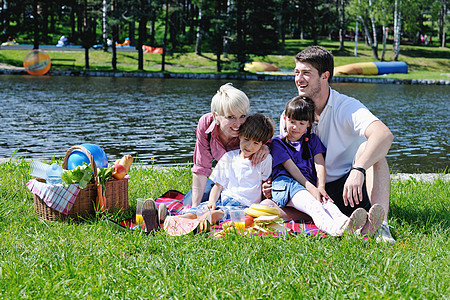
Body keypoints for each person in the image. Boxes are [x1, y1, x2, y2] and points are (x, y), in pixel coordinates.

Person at [263, 46, 395, 243]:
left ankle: (381, 226)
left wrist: (358, 170)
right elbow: (288, 155)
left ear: (325, 76)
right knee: (266, 208)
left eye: (306, 73)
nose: (299, 79)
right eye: (296, 72)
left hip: (350, 188)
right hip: (311, 189)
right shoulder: (291, 115)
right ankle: (344, 221)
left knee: (374, 152)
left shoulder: (346, 106)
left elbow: (384, 135)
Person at [268, 96, 384, 236]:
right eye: (292, 121)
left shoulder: (312, 140)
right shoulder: (278, 143)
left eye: (301, 123)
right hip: (287, 185)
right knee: (314, 206)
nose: (295, 127)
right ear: (285, 119)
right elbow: (292, 169)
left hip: (306, 185)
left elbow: (319, 163)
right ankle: (336, 231)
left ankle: (350, 225)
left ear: (309, 124)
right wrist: (312, 188)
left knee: (328, 204)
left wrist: (321, 187)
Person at [183, 83, 269, 208]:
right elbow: (201, 168)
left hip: (248, 184)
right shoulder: (206, 124)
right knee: (189, 203)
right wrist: (195, 208)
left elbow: (271, 141)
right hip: (224, 178)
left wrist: (266, 147)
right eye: (231, 117)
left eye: (242, 116)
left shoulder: (251, 126)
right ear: (216, 116)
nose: (238, 124)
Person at [181, 113, 274, 224]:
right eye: (246, 139)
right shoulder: (229, 157)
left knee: (220, 214)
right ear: (240, 136)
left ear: (263, 144)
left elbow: (266, 184)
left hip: (245, 205)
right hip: (223, 200)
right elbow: (218, 186)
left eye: (256, 143)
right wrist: (211, 201)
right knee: (198, 209)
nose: (249, 146)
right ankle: (172, 220)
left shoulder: (264, 160)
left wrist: (262, 208)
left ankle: (200, 223)